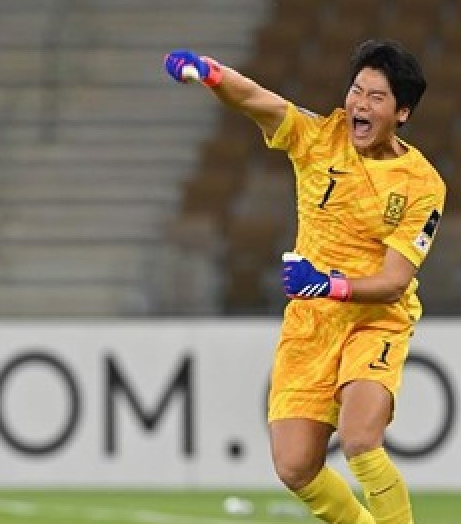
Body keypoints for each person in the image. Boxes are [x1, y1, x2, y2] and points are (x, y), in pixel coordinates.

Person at [164, 40, 445, 524]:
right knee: (295, 466)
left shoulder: (422, 184)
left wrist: (328, 284)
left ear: (402, 112)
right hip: (311, 323)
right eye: (356, 91)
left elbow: (395, 282)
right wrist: (211, 73)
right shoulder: (319, 138)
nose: (359, 104)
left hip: (374, 320)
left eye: (376, 98)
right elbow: (257, 100)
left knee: (360, 441)